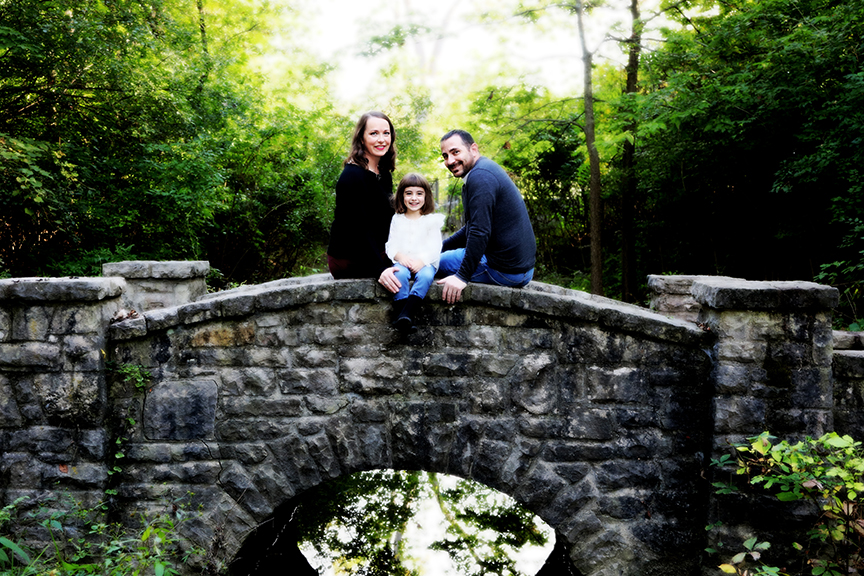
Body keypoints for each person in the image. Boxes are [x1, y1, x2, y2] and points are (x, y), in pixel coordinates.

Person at [434, 129, 536, 304]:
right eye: (445, 156)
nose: (449, 161)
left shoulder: (480, 177)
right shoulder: (481, 170)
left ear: (473, 149)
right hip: (520, 270)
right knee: (434, 255)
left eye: (455, 152)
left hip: (505, 270)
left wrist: (461, 277)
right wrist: (439, 247)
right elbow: (472, 227)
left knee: (428, 263)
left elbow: (479, 232)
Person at [327, 111, 397, 279]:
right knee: (404, 274)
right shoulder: (352, 176)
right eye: (374, 133)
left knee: (422, 265)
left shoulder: (383, 173)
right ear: (361, 138)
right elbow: (358, 228)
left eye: (386, 133)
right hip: (350, 257)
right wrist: (380, 269)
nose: (381, 139)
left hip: (377, 251)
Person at [383, 173, 445, 333]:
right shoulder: (397, 219)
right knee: (399, 275)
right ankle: (404, 317)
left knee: (425, 277)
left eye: (419, 193)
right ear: (401, 196)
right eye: (408, 193)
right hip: (402, 261)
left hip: (425, 263)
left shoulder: (431, 220)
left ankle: (406, 313)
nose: (414, 198)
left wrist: (422, 261)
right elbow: (391, 245)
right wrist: (400, 257)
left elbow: (435, 247)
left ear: (426, 196)